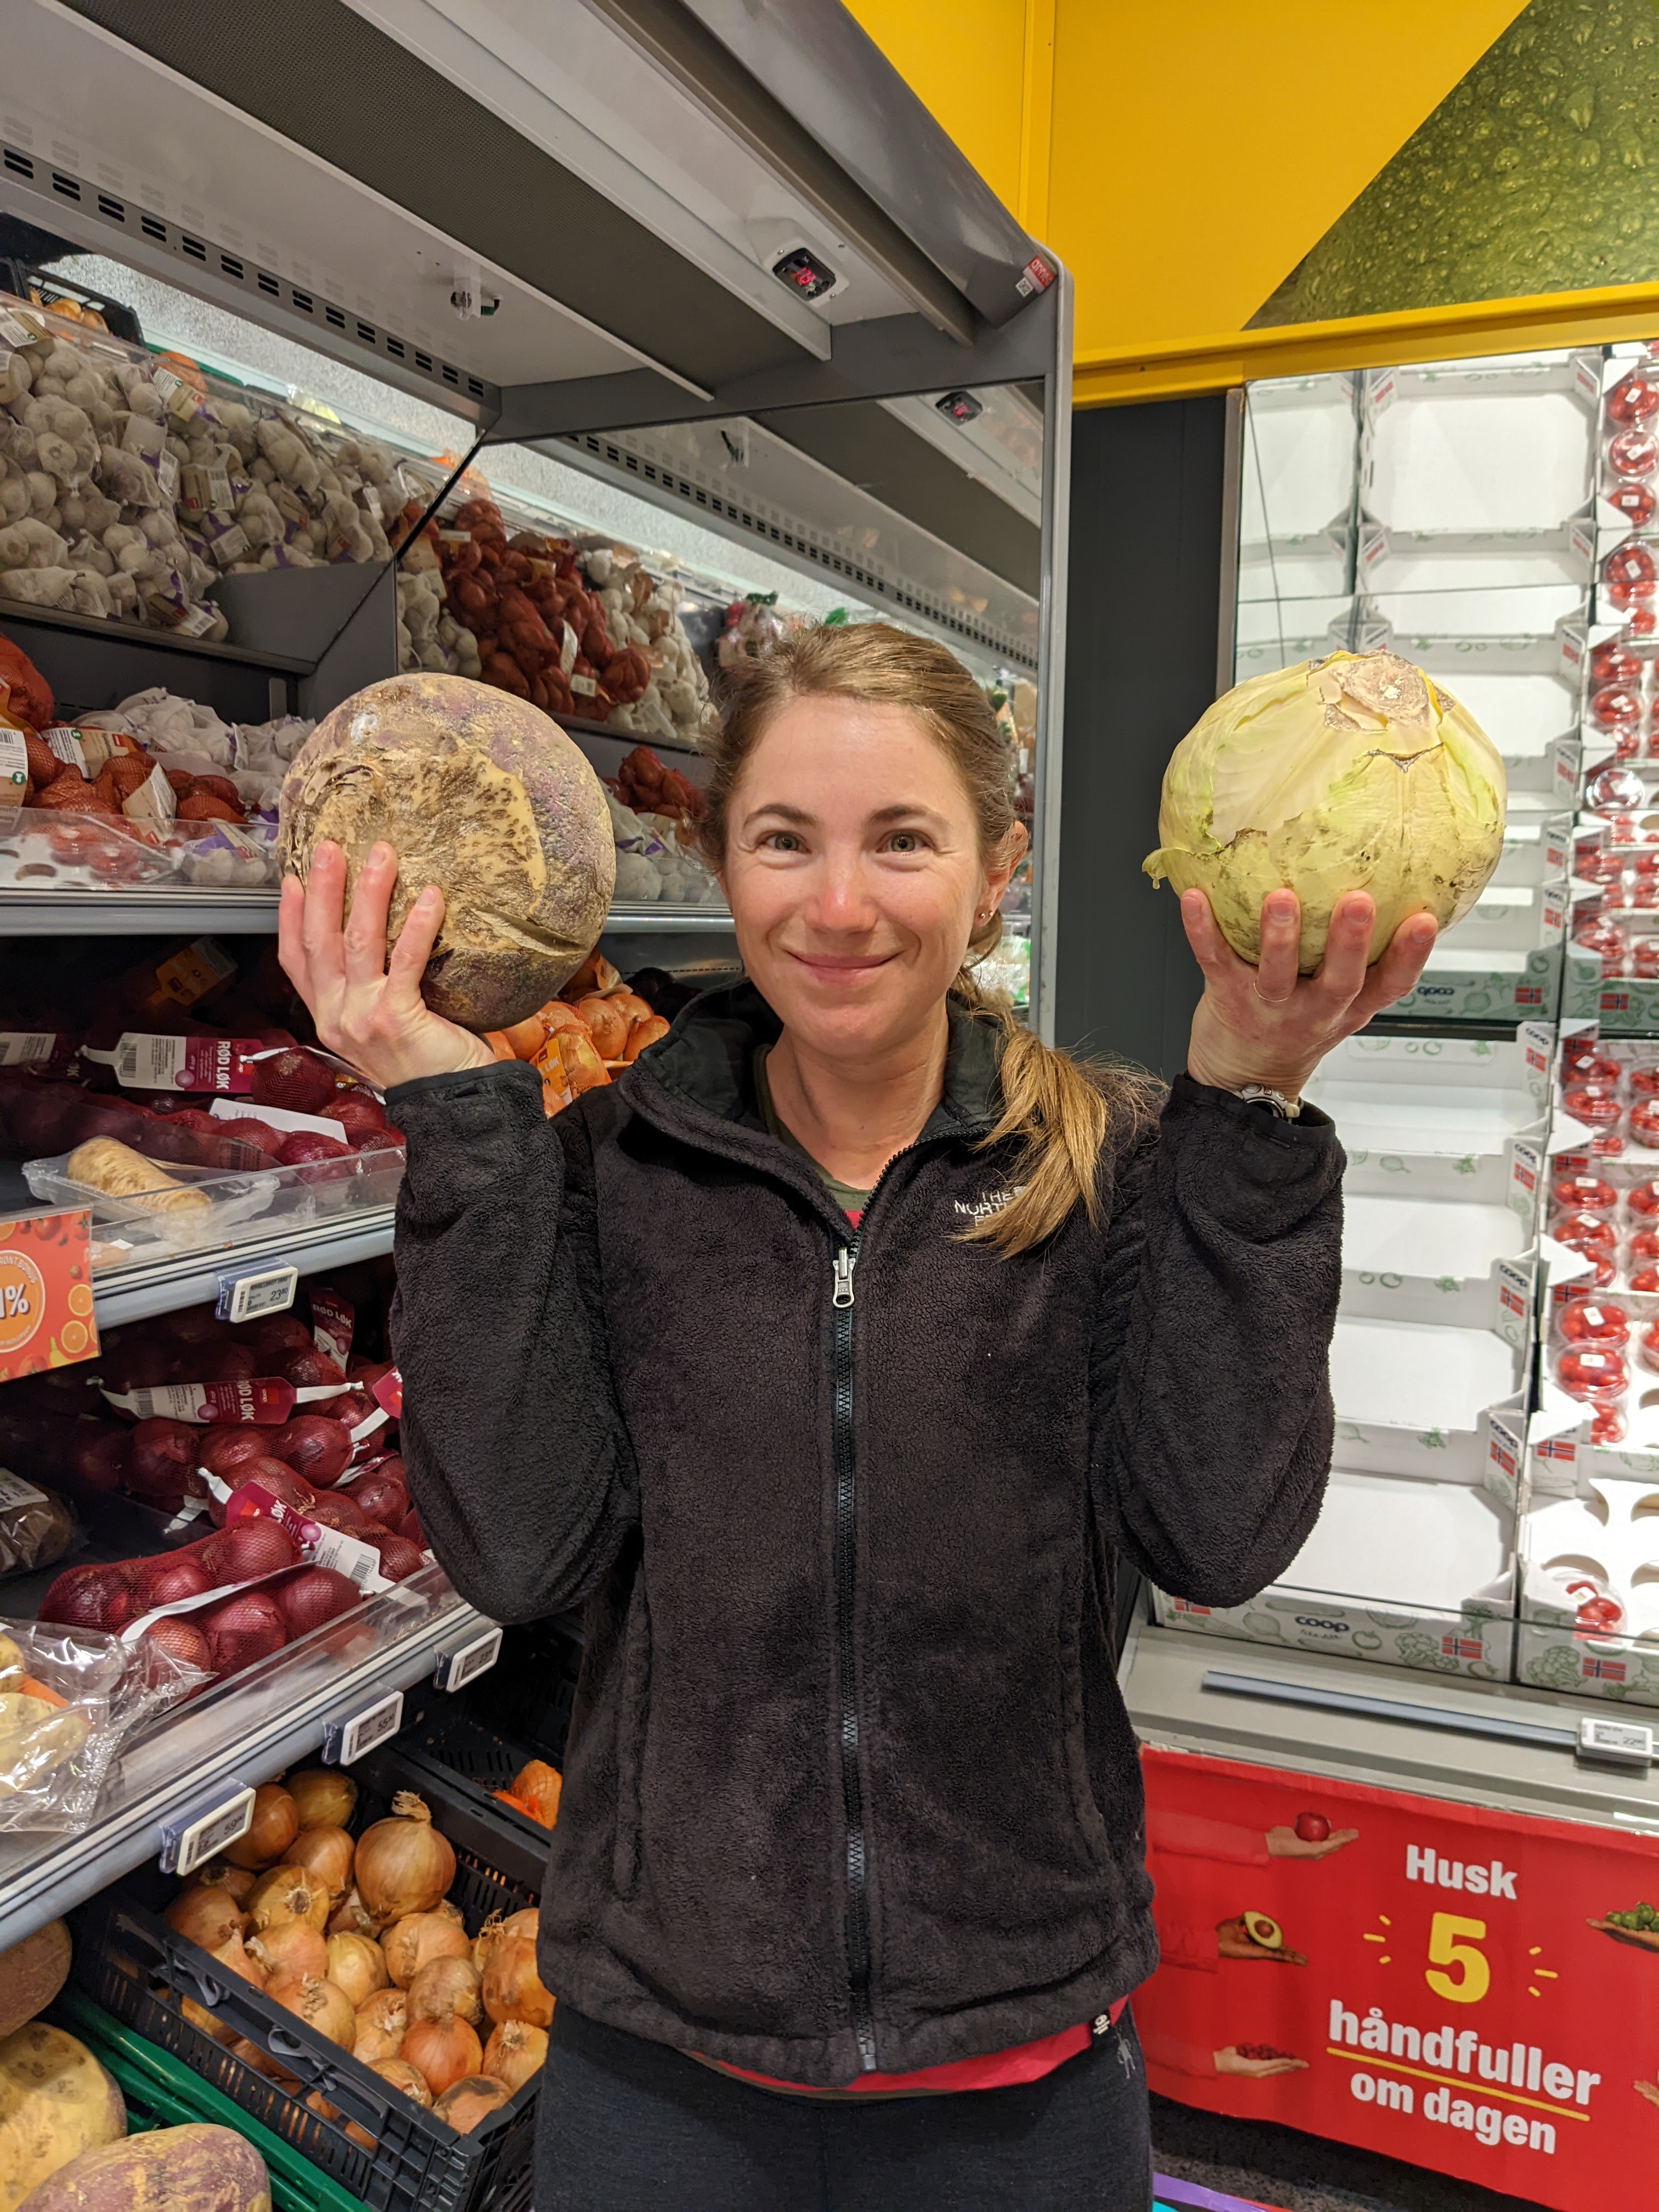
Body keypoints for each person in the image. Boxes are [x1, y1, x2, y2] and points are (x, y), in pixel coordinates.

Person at [278, 624, 1436, 2212]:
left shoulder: (1103, 1173)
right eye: (783, 841)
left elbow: (1220, 1533)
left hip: (1020, 2077)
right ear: (718, 857)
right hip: (658, 2073)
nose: (836, 906)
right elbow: (523, 1555)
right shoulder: (604, 1171)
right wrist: (458, 1118)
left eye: (902, 841)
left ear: (996, 868)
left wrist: (1251, 1115)